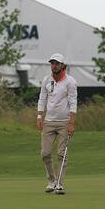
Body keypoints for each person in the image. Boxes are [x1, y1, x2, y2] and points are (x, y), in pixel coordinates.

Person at [37, 53, 77, 194]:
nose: (54, 65)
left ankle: (59, 184)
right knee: (45, 153)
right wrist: (39, 116)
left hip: (64, 122)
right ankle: (51, 181)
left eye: (56, 63)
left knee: (61, 154)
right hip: (49, 121)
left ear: (62, 65)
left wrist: (72, 123)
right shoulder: (46, 80)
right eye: (52, 63)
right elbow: (42, 98)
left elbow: (73, 102)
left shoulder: (70, 81)